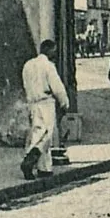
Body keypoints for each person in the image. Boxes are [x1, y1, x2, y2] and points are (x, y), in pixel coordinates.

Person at [20, 40, 72, 179]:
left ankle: (44, 168)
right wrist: (64, 103)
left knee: (36, 132)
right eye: (53, 50)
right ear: (48, 50)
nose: (55, 53)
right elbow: (57, 87)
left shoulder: (28, 65)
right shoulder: (49, 66)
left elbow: (25, 84)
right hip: (46, 102)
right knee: (46, 135)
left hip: (32, 102)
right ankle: (30, 158)